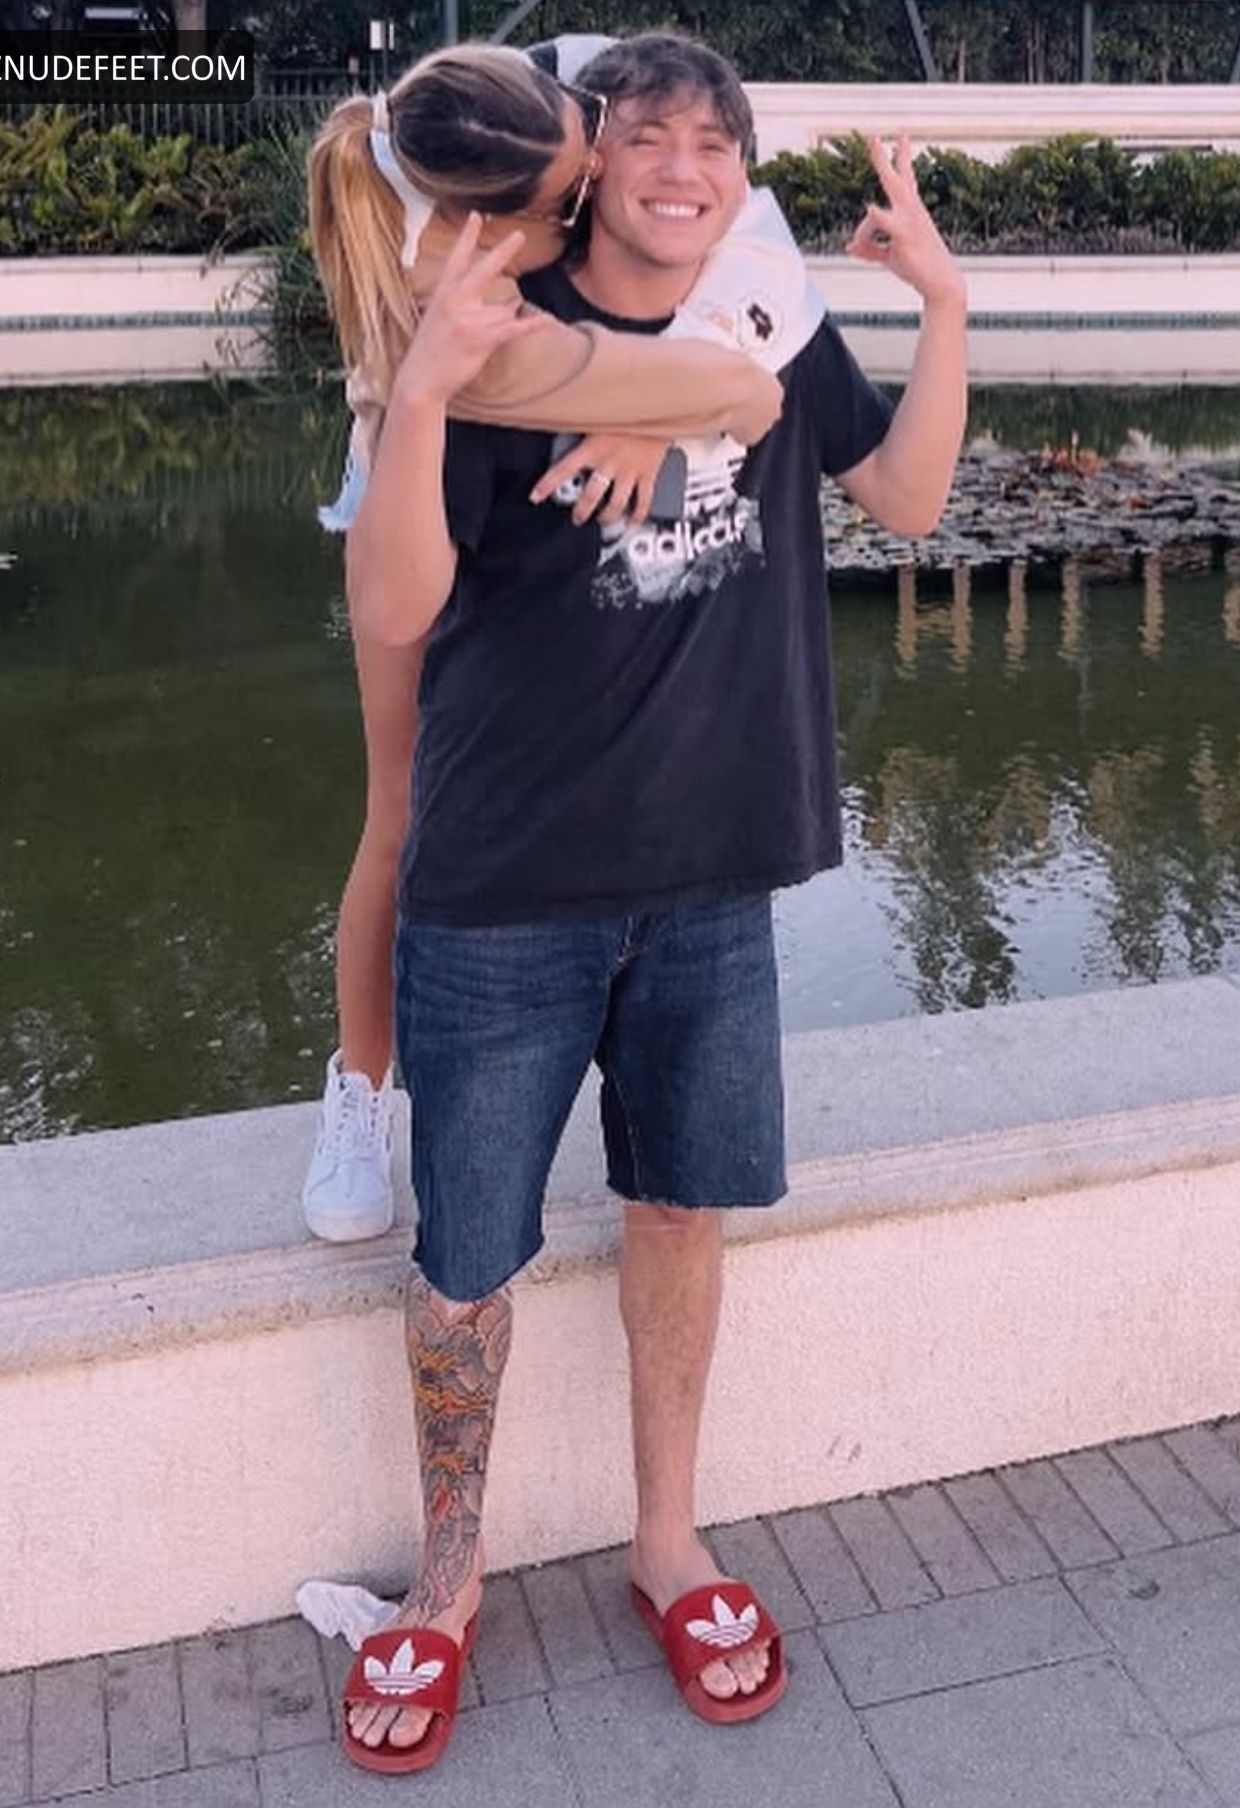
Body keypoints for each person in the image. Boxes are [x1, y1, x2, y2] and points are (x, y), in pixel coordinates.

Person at [334, 29, 968, 1776]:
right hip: (505, 894)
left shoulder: (772, 325)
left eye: (717, 146)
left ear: (740, 180)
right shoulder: (498, 322)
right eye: (652, 138)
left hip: (709, 887)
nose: (684, 169)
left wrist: (942, 304)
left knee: (682, 1214)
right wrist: (424, 395)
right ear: (591, 158)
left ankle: (668, 1541)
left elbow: (910, 496)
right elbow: (392, 605)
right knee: (465, 1260)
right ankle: (447, 1582)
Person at [300, 35, 828, 1242]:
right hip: (413, 455)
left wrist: (654, 401)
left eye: (586, 168)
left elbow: (750, 231)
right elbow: (726, 392)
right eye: (562, 210)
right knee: (400, 800)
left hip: (537, 424)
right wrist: (658, 395)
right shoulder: (451, 285)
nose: (592, 201)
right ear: (488, 232)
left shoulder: (554, 88)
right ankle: (359, 1090)